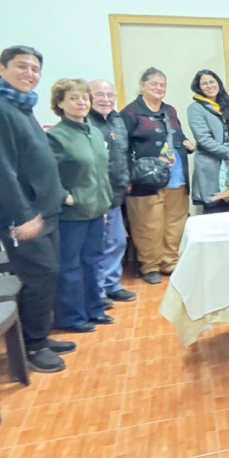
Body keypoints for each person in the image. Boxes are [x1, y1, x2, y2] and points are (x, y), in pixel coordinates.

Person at [0, 46, 72, 372]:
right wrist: (21, 216)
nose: (29, 74)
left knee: (47, 274)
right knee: (39, 276)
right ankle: (34, 348)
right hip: (23, 215)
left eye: (35, 69)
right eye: (21, 66)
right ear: (2, 68)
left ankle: (38, 334)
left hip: (43, 208)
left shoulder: (19, 105)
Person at [46, 79, 114, 333]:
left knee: (93, 262)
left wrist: (103, 205)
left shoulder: (94, 132)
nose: (81, 102)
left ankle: (94, 309)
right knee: (70, 266)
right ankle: (72, 317)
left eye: (85, 98)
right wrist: (65, 195)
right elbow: (44, 174)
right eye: (74, 98)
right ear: (60, 103)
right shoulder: (55, 136)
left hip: (96, 210)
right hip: (71, 215)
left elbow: (100, 172)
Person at [120, 68, 194, 285]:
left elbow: (175, 135)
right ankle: (150, 265)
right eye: (154, 84)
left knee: (175, 222)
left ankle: (169, 261)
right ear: (142, 85)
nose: (159, 88)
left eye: (163, 84)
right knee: (148, 224)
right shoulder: (130, 113)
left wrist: (186, 143)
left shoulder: (169, 110)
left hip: (176, 176)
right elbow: (121, 148)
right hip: (146, 180)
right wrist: (128, 177)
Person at [88, 78, 134, 307]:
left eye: (110, 95)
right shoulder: (85, 122)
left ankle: (112, 285)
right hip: (96, 196)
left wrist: (125, 179)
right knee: (99, 245)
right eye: (99, 94)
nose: (106, 99)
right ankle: (97, 291)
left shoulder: (116, 120)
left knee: (116, 241)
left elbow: (122, 154)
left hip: (116, 193)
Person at [187, 70, 229, 215]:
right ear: (198, 87)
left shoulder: (226, 104)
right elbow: (204, 140)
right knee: (213, 211)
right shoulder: (195, 108)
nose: (209, 86)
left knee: (227, 209)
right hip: (210, 166)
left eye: (212, 82)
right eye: (204, 83)